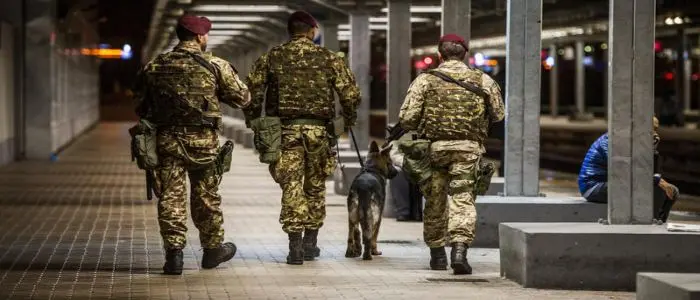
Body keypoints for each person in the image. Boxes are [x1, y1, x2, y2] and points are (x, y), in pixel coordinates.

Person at [133, 14, 251, 275]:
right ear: (200, 37)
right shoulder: (215, 65)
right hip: (203, 144)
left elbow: (141, 106)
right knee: (206, 195)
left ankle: (174, 256)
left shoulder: (155, 65)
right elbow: (243, 98)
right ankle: (211, 251)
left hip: (167, 142)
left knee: (171, 198)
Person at [243, 11, 361, 265]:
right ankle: (310, 242)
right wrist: (347, 120)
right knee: (315, 186)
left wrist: (254, 122)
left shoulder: (272, 57)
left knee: (292, 185)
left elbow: (252, 92)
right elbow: (350, 94)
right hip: (320, 133)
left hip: (285, 132)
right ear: (312, 30)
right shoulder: (329, 58)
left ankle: (294, 246)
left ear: (290, 31)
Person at [398, 34, 505, 275]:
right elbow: (498, 114)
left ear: (439, 55)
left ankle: (437, 256)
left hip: (434, 150)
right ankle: (459, 251)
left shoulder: (424, 80)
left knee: (435, 200)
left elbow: (407, 118)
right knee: (462, 198)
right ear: (465, 54)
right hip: (468, 150)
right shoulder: (483, 80)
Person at [578, 117, 678, 222]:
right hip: (594, 186)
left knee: (673, 190)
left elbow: (643, 169)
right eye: (650, 130)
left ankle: (659, 220)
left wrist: (651, 149)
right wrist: (656, 180)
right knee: (648, 189)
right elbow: (623, 170)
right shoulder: (610, 141)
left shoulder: (631, 143)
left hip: (614, 183)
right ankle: (649, 220)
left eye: (655, 130)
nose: (653, 133)